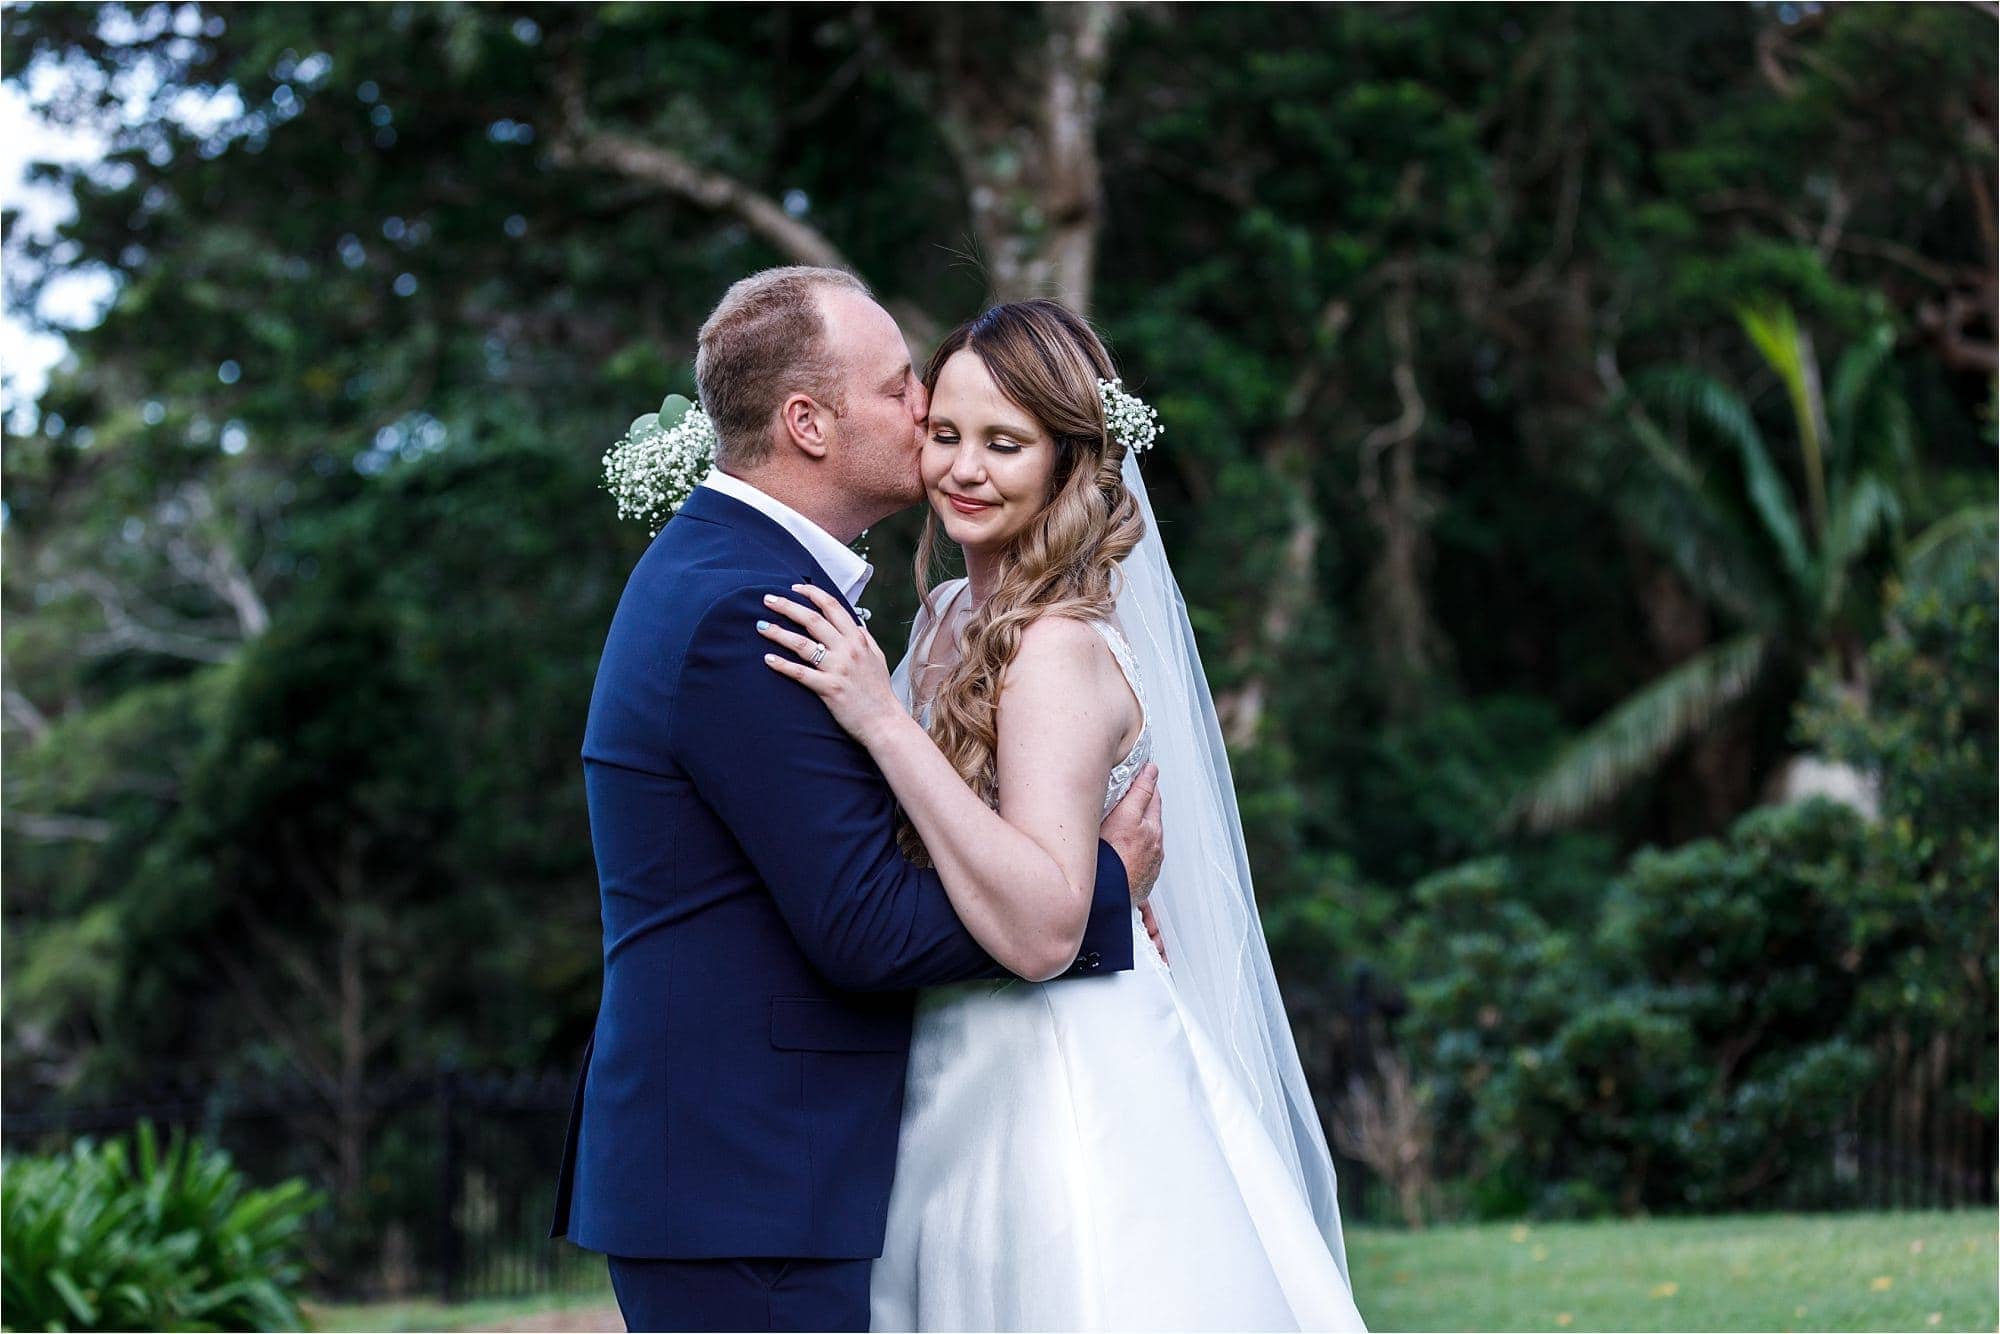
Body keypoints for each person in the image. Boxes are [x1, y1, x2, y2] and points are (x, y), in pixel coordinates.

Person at [550, 268, 1166, 1334]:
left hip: (780, 1166)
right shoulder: (745, 607)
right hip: (747, 1181)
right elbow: (867, 924)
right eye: (897, 388)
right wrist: (1094, 888)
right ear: (806, 423)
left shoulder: (747, 576)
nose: (925, 411)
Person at [758, 300, 1368, 1331]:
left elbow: (1045, 923)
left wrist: (877, 715)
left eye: (1004, 443)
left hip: (1053, 1068)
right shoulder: (950, 611)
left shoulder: (1056, 648)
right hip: (949, 1049)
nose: (962, 468)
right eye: (943, 435)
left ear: (1065, 460)